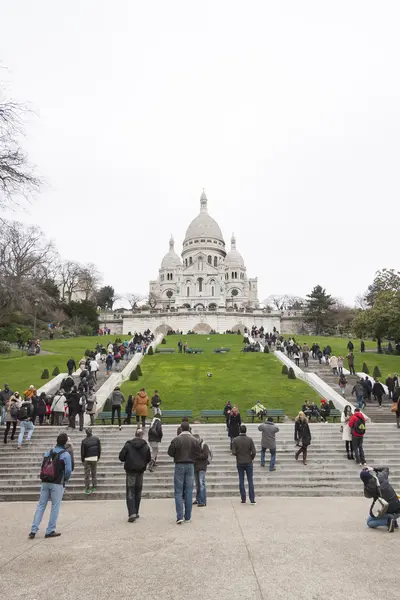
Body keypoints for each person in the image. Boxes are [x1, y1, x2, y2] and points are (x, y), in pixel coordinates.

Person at [29, 432, 72, 539]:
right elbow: (68, 471)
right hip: (57, 483)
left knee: (41, 505)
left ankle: (33, 529)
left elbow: (43, 466)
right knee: (55, 506)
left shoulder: (48, 452)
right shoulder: (65, 454)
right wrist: (64, 480)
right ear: (65, 442)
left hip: (45, 481)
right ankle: (50, 530)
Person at [168, 421, 200, 524]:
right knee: (189, 491)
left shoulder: (176, 439)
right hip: (190, 465)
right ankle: (188, 516)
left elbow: (170, 452)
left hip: (179, 464)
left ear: (181, 429)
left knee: (178, 491)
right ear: (189, 429)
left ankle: (179, 516)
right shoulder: (194, 440)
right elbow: (198, 452)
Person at [119, 428, 151, 522]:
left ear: (135, 435)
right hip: (140, 471)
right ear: (142, 435)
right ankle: (136, 512)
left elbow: (121, 456)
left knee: (130, 491)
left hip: (130, 471)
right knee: (138, 491)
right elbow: (148, 458)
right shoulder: (145, 446)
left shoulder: (128, 445)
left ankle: (132, 512)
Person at [361, 467, 400, 532]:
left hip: (387, 509)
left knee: (369, 522)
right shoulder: (381, 476)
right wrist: (373, 469)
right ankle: (393, 519)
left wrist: (365, 484)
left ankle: (389, 521)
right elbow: (386, 468)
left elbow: (367, 496)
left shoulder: (369, 488)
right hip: (398, 506)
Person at [232, 425, 256, 504]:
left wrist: (239, 455)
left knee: (241, 480)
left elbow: (234, 452)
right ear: (246, 431)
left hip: (240, 462)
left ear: (239, 430)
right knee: (250, 481)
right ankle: (252, 499)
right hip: (248, 462)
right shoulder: (249, 440)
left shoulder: (235, 440)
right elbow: (254, 452)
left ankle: (243, 498)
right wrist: (250, 458)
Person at [81, 427, 101, 495]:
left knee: (87, 474)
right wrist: (98, 457)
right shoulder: (97, 439)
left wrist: (82, 460)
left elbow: (82, 452)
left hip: (87, 458)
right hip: (94, 458)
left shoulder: (84, 441)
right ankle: (94, 487)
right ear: (91, 431)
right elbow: (99, 449)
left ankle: (87, 489)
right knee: (94, 473)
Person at [193, 433, 209, 507]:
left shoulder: (204, 445)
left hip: (202, 467)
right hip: (195, 467)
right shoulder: (193, 446)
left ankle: (203, 501)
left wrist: (197, 456)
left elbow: (205, 455)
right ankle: (198, 499)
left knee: (201, 483)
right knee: (197, 485)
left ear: (199, 439)